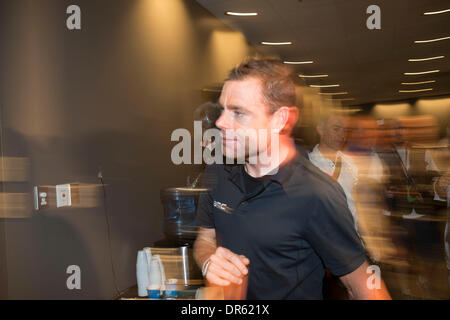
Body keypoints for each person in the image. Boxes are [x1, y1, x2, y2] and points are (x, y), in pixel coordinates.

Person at [193, 57, 391, 299]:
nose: (221, 122)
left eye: (239, 113)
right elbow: (205, 238)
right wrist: (208, 261)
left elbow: (363, 284)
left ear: (279, 120)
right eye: (222, 109)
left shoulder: (316, 193)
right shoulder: (217, 170)